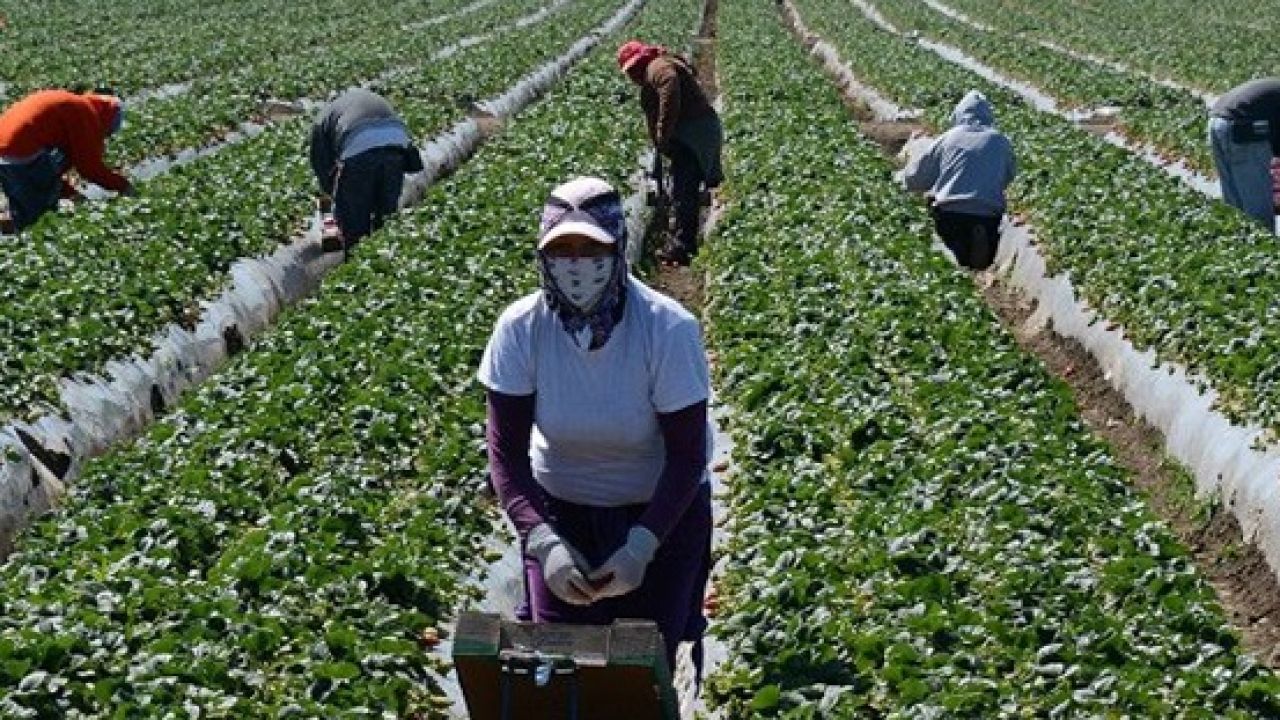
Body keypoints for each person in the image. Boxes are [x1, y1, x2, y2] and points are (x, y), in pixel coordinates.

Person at [478, 176, 713, 671]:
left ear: (618, 245)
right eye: (563, 249)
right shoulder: (521, 329)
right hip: (561, 517)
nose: (577, 264)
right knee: (559, 672)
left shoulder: (666, 329)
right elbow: (505, 454)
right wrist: (544, 544)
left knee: (639, 674)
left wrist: (641, 547)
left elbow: (688, 456)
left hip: (661, 517)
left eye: (592, 247)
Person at [617, 40, 723, 266]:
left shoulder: (658, 68)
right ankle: (682, 241)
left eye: (634, 69)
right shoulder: (658, 66)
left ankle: (683, 246)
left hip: (694, 134)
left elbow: (670, 86)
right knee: (683, 187)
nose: (633, 76)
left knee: (684, 190)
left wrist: (662, 130)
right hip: (694, 133)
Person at [903, 90, 1016, 270]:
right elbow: (1008, 176)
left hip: (951, 211)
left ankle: (957, 256)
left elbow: (919, 178)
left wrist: (903, 182)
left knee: (948, 248)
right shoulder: (1000, 140)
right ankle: (980, 247)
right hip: (988, 214)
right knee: (984, 235)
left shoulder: (949, 138)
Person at [0, 89, 133, 232]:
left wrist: (70, 193)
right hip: (21, 152)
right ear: (107, 121)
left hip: (7, 150)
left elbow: (63, 162)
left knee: (24, 207)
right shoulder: (86, 114)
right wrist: (124, 186)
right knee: (35, 219)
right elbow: (89, 168)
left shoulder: (73, 104)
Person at [308, 88, 424, 251]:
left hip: (359, 149)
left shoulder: (324, 116)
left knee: (354, 221)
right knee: (386, 214)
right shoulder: (368, 99)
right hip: (396, 147)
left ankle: (356, 264)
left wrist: (331, 194)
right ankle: (384, 261)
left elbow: (321, 163)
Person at [1209, 78, 1280, 232]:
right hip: (1245, 127)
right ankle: (1264, 253)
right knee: (1260, 215)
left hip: (1217, 121)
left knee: (1235, 210)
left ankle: (1239, 247)